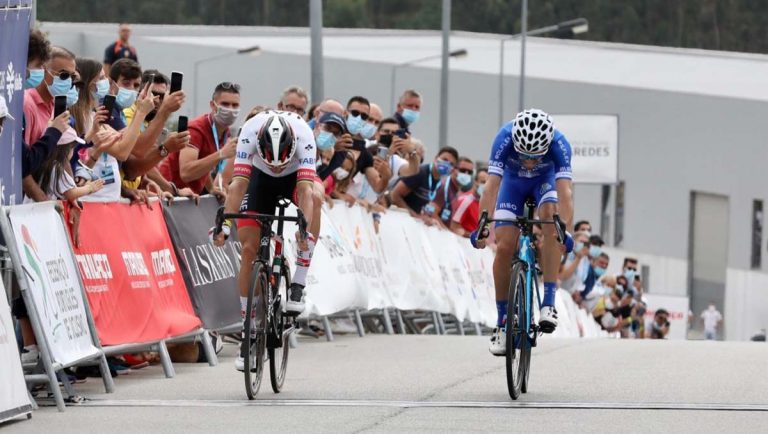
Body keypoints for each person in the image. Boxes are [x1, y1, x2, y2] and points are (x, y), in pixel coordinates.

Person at [211, 110, 320, 372]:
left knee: (315, 198)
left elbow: (305, 190)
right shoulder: (249, 132)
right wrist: (224, 226)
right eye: (271, 160)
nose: (276, 166)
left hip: (293, 180)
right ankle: (247, 334)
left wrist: (302, 229)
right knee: (249, 250)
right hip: (258, 181)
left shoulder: (304, 135)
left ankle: (298, 283)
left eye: (280, 161)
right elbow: (237, 186)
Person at [470, 109, 574, 355]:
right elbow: (490, 188)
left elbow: (566, 194)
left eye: (535, 156)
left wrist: (565, 231)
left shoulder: (559, 145)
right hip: (512, 184)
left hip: (544, 182)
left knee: (550, 217)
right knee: (505, 247)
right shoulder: (504, 138)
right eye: (524, 155)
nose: (528, 161)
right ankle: (502, 323)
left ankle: (548, 302)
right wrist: (482, 227)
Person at [160, 82, 240, 196]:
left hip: (190, 198)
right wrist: (221, 154)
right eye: (225, 104)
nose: (230, 109)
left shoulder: (224, 132)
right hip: (170, 195)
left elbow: (204, 161)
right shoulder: (196, 130)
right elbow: (186, 172)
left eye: (235, 105)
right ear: (213, 105)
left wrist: (211, 188)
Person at [26, 127, 105, 202]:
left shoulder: (42, 162)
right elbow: (70, 193)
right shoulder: (56, 167)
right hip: (42, 211)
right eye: (72, 148)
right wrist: (90, 188)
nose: (73, 152)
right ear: (65, 150)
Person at [391, 146, 459, 224]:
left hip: (412, 222)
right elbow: (395, 195)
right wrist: (415, 216)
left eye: (451, 164)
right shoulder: (420, 172)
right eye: (445, 160)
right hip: (398, 218)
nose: (447, 164)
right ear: (436, 158)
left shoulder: (442, 183)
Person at [428, 157, 474, 227]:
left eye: (470, 172)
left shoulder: (456, 190)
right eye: (462, 170)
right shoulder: (444, 187)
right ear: (453, 170)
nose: (466, 174)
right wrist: (446, 232)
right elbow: (431, 213)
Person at [450, 168, 488, 237]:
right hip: (464, 244)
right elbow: (454, 227)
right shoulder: (465, 201)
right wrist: (474, 237)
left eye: (488, 183)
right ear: (475, 182)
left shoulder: (486, 203)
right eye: (483, 182)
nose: (485, 186)